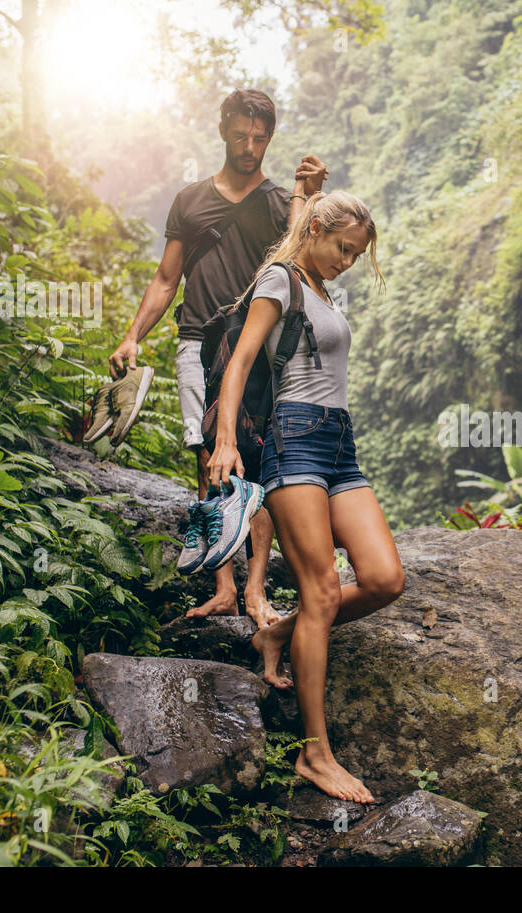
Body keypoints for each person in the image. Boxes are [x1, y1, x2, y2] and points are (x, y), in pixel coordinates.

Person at [208, 190, 403, 804]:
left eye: (357, 253)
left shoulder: (319, 288)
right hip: (293, 439)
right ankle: (315, 755)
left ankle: (277, 633)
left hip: (339, 443)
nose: (348, 260)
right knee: (321, 589)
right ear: (316, 230)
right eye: (344, 247)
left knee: (384, 578)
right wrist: (224, 443)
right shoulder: (279, 278)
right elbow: (241, 363)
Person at [108, 89, 328, 629]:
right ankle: (224, 586)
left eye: (259, 138)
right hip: (194, 341)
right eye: (240, 135)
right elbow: (166, 280)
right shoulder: (190, 200)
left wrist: (307, 196)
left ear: (269, 139)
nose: (249, 146)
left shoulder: (280, 204)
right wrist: (133, 335)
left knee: (259, 461)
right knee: (208, 457)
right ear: (223, 130)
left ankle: (255, 590)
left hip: (257, 346)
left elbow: (300, 264)